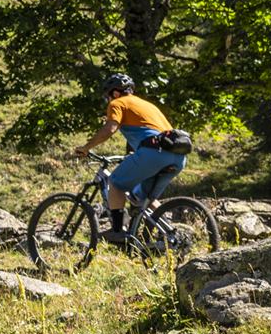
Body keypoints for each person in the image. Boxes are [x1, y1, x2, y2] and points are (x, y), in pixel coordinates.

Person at [72, 73, 188, 239]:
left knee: (116, 183)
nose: (108, 99)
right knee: (143, 198)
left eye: (108, 96)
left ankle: (118, 231)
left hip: (154, 153)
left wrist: (86, 147)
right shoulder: (148, 105)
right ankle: (171, 233)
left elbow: (109, 129)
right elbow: (150, 131)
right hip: (178, 156)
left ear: (115, 93)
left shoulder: (118, 103)